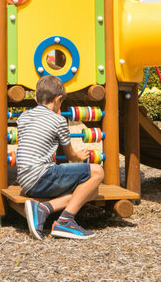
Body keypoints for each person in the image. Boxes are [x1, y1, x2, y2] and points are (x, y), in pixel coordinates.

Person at [17, 75, 104, 240]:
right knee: (97, 173)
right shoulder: (58, 120)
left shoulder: (23, 118)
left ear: (36, 98)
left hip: (25, 181)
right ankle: (65, 222)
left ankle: (44, 209)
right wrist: (80, 155)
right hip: (41, 176)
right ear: (58, 99)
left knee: (90, 190)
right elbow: (71, 155)